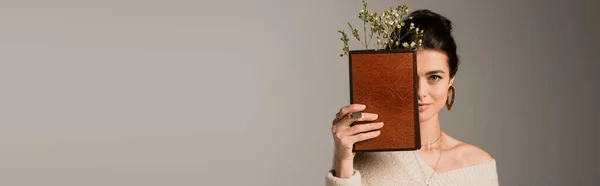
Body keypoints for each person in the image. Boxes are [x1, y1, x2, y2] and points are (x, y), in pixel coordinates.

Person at [326, 9, 499, 186]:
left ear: (450, 80)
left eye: (434, 77)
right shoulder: (362, 160)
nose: (420, 92)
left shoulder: (478, 166)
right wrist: (343, 160)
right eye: (408, 77)